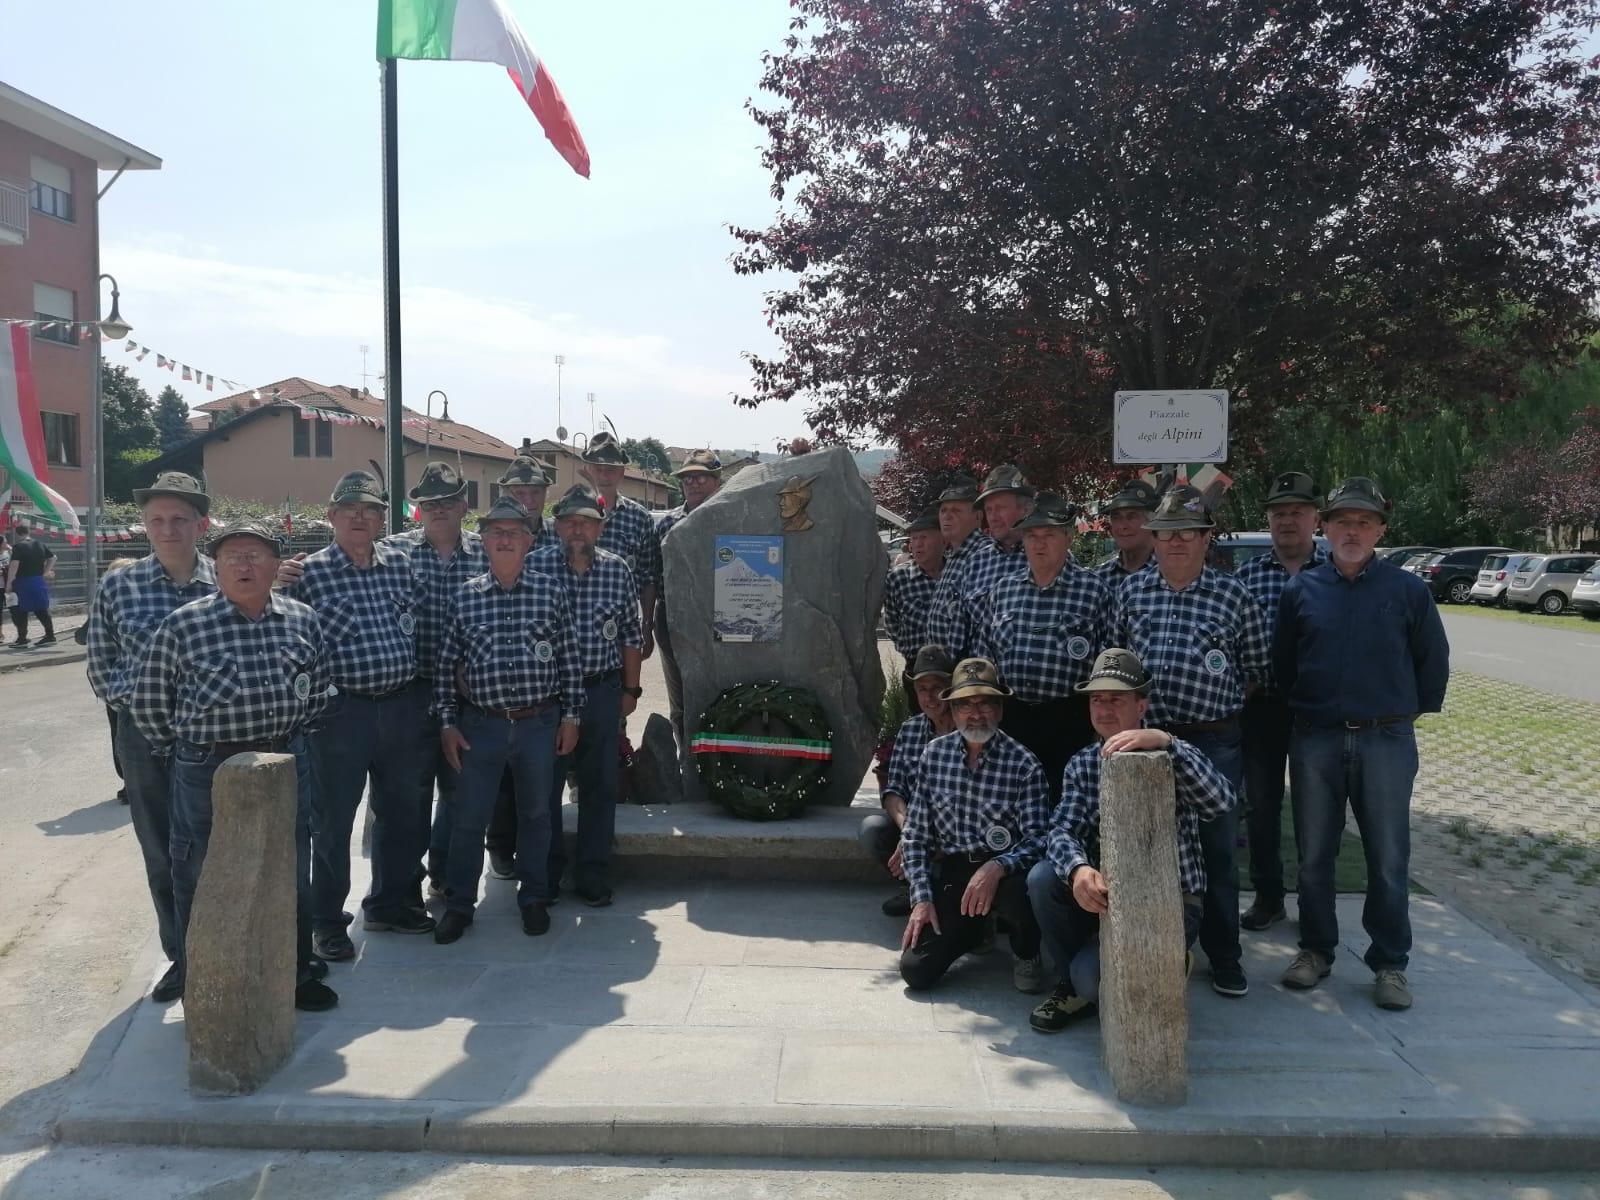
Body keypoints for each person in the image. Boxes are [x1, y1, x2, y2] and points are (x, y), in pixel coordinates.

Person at [128, 519, 337, 1012]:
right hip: (208, 767)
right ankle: (199, 971)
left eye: (255, 555)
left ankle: (295, 969)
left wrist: (289, 736)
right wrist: (188, 752)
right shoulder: (184, 624)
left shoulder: (302, 619)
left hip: (286, 758)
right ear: (216, 567)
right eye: (232, 557)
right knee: (199, 868)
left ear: (275, 565)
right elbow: (151, 706)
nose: (244, 565)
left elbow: (320, 687)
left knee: (291, 865)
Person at [1274, 477, 1449, 1011]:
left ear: (1380, 530)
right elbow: (1285, 666)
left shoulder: (1408, 591)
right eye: (1342, 521)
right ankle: (1316, 950)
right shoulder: (1301, 589)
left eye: (1364, 522)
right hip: (1317, 740)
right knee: (1314, 855)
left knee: (1389, 857)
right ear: (1324, 528)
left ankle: (1390, 964)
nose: (1352, 531)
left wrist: (1392, 714)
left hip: (1386, 742)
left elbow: (1432, 663)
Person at [1025, 648, 1237, 1032]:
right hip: (1109, 895)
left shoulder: (1172, 754)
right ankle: (1071, 982)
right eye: (1097, 699)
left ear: (1141, 705)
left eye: (1116, 699)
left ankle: (1161, 962)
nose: (1104, 709)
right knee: (1042, 878)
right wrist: (1079, 870)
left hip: (1169, 901)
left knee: (1096, 982)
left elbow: (1220, 801)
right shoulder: (1083, 762)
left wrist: (1167, 741)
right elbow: (1061, 830)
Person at [1113, 485, 1269, 999]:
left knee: (1218, 853)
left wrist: (1213, 708)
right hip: (1144, 746)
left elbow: (1255, 669)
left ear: (1207, 540)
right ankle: (1150, 945)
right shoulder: (1131, 593)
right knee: (1146, 847)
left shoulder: (1234, 595)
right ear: (1153, 540)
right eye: (1166, 533)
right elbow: (1115, 668)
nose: (1176, 541)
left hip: (1214, 743)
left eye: (1188, 532)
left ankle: (1224, 956)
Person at [281, 470, 433, 960]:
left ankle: (390, 904)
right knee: (332, 823)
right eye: (350, 509)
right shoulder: (308, 574)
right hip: (339, 713)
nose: (361, 517)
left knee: (403, 814)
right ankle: (327, 921)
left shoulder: (401, 564)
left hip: (402, 706)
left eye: (370, 510)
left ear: (382, 518)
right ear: (331, 516)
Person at [84, 471, 218, 1003]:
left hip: (211, 737)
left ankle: (225, 951)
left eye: (179, 519)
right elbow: (101, 664)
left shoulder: (224, 579)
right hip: (144, 738)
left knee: (215, 849)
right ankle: (182, 957)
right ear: (145, 525)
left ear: (201, 525)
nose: (167, 529)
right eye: (157, 519)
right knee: (162, 851)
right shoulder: (120, 584)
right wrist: (148, 703)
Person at [432, 496, 584, 943]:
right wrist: (447, 723)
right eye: (495, 533)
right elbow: (446, 666)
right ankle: (460, 905)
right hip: (482, 725)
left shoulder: (550, 592)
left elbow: (569, 660)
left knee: (537, 814)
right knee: (468, 817)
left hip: (538, 723)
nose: (503, 540)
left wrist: (571, 716)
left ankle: (533, 898)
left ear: (528, 542)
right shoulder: (465, 597)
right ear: (483, 542)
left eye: (512, 533)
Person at [898, 657, 1050, 994]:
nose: (975, 714)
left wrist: (997, 867)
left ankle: (1026, 951)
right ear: (952, 711)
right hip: (955, 875)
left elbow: (1039, 839)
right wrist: (921, 899)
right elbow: (916, 834)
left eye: (984, 703)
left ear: (1000, 710)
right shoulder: (932, 756)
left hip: (1006, 873)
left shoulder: (1024, 763)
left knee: (1020, 890)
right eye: (965, 704)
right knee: (915, 971)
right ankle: (974, 930)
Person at [533, 484, 644, 907]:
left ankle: (593, 875)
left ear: (599, 528)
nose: (577, 529)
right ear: (557, 526)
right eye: (569, 521)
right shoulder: (536, 566)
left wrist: (631, 690)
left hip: (601, 691)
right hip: (550, 695)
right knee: (545, 789)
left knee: (599, 788)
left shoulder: (617, 570)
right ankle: (544, 874)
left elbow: (631, 637)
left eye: (586, 522)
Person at [380, 462, 486, 901]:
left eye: (446, 501)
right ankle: (401, 885)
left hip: (468, 693)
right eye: (429, 503)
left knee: (461, 790)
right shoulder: (392, 553)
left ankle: (445, 874)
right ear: (417, 509)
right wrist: (290, 572)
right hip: (413, 689)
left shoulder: (486, 552)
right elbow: (341, 566)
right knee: (410, 793)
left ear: (464, 504)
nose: (438, 510)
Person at [1233, 471, 1327, 931]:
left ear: (1315, 518)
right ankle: (1268, 897)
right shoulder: (1247, 576)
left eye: (1296, 512)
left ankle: (1314, 905)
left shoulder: (1334, 573)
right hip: (1261, 708)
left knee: (1315, 810)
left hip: (1316, 711)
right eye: (1278, 513)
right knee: (1262, 807)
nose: (1287, 521)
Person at [976, 492, 1113, 795]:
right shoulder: (1003, 591)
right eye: (1031, 535)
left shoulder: (1094, 591)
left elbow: (1108, 662)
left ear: (1067, 538)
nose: (1039, 543)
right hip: (1013, 720)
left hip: (1070, 721)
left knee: (1067, 809)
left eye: (1048, 535)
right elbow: (985, 656)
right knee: (1015, 808)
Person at [483, 454, 556, 880]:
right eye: (518, 492)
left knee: (539, 779)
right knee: (500, 779)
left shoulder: (558, 537)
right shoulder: (488, 538)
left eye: (535, 492)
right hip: (495, 677)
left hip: (547, 676)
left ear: (546, 496)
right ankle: (500, 846)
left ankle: (541, 862)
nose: (527, 499)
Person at [859, 644, 956, 917]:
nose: (930, 696)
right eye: (922, 689)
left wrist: (921, 833)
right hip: (915, 823)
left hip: (957, 829)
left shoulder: (967, 730)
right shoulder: (910, 730)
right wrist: (909, 830)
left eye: (937, 686)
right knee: (872, 830)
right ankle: (915, 888)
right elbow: (893, 790)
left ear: (951, 687)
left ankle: (945, 895)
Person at [653, 449, 723, 758]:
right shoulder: (666, 523)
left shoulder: (732, 517)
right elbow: (653, 576)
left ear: (716, 481)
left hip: (719, 620)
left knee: (718, 694)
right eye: (686, 478)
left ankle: (716, 764)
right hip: (673, 619)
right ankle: (687, 764)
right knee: (680, 701)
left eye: (700, 477)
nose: (692, 483)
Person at [579, 430, 661, 660]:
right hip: (574, 624)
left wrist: (646, 625)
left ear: (622, 472)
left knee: (625, 691)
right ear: (588, 469)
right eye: (598, 468)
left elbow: (648, 578)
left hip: (622, 624)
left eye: (611, 469)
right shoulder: (569, 515)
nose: (604, 474)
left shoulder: (639, 518)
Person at [881, 506, 943, 708]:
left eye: (924, 538)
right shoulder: (899, 578)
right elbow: (891, 623)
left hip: (951, 669)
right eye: (914, 539)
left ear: (942, 539)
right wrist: (908, 650)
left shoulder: (957, 573)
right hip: (916, 667)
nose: (917, 545)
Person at [922, 475, 987, 659]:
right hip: (946, 673)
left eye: (956, 510)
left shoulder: (984, 555)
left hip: (967, 673)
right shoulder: (956, 555)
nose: (947, 516)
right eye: (943, 510)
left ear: (977, 517)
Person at [1095, 480, 1159, 586]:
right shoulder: (1099, 578)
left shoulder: (1172, 573)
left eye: (1132, 516)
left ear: (1152, 522)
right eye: (1116, 517)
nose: (1123, 526)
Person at [6, 522, 56, 647]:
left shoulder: (18, 547)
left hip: (22, 581)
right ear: (28, 532)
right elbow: (53, 557)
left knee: (20, 610)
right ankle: (50, 636)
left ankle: (22, 639)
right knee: (41, 608)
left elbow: (14, 565)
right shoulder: (40, 544)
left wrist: (10, 582)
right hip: (38, 580)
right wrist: (45, 571)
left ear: (17, 534)